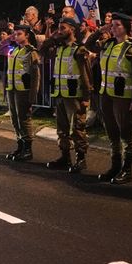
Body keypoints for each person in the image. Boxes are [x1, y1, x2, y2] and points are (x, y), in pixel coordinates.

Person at [96, 12, 132, 184]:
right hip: (107, 96)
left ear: (127, 28)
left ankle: (127, 170)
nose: (113, 28)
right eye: (112, 25)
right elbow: (88, 44)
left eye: (117, 25)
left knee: (126, 133)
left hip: (124, 98)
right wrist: (99, 31)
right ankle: (115, 166)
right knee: (112, 133)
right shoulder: (107, 45)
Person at [45, 17, 92, 173]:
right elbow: (43, 49)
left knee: (77, 128)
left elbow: (86, 75)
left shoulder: (79, 49)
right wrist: (54, 35)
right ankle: (65, 157)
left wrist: (86, 98)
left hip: (75, 96)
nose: (60, 31)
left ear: (72, 29)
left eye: (63, 28)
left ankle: (81, 158)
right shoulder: (59, 48)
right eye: (59, 28)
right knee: (62, 129)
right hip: (60, 93)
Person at [5, 25, 41, 161]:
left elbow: (36, 75)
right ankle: (20, 146)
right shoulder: (14, 50)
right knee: (14, 119)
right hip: (12, 89)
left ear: (27, 36)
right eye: (14, 34)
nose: (16, 36)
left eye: (19, 34)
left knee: (24, 119)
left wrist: (33, 95)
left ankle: (28, 149)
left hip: (24, 91)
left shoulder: (31, 52)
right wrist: (9, 37)